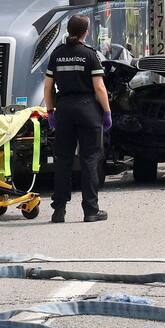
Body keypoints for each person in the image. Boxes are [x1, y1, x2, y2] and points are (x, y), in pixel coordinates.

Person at [44, 15, 111, 223]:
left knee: (63, 159)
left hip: (64, 110)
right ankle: (91, 210)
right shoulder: (90, 54)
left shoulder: (57, 54)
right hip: (87, 110)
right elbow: (99, 87)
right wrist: (107, 112)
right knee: (89, 159)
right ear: (86, 32)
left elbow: (48, 87)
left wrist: (50, 111)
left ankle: (59, 210)